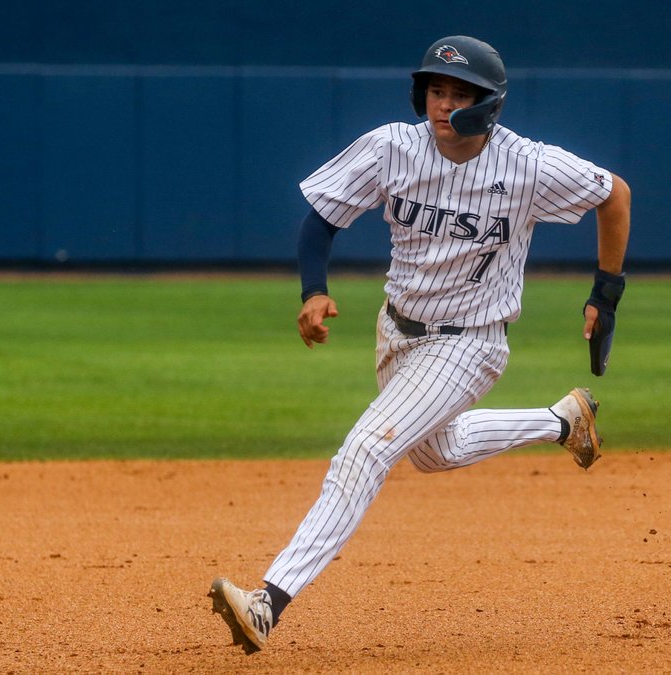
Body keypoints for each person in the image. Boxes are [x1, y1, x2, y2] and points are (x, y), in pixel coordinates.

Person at [208, 35, 631, 654]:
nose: (443, 103)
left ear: (488, 104)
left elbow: (613, 194)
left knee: (365, 450)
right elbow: (322, 219)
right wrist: (313, 290)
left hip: (471, 343)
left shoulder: (528, 165)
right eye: (436, 89)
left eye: (459, 93)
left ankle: (269, 600)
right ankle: (561, 421)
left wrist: (606, 291)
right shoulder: (390, 148)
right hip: (397, 330)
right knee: (435, 453)